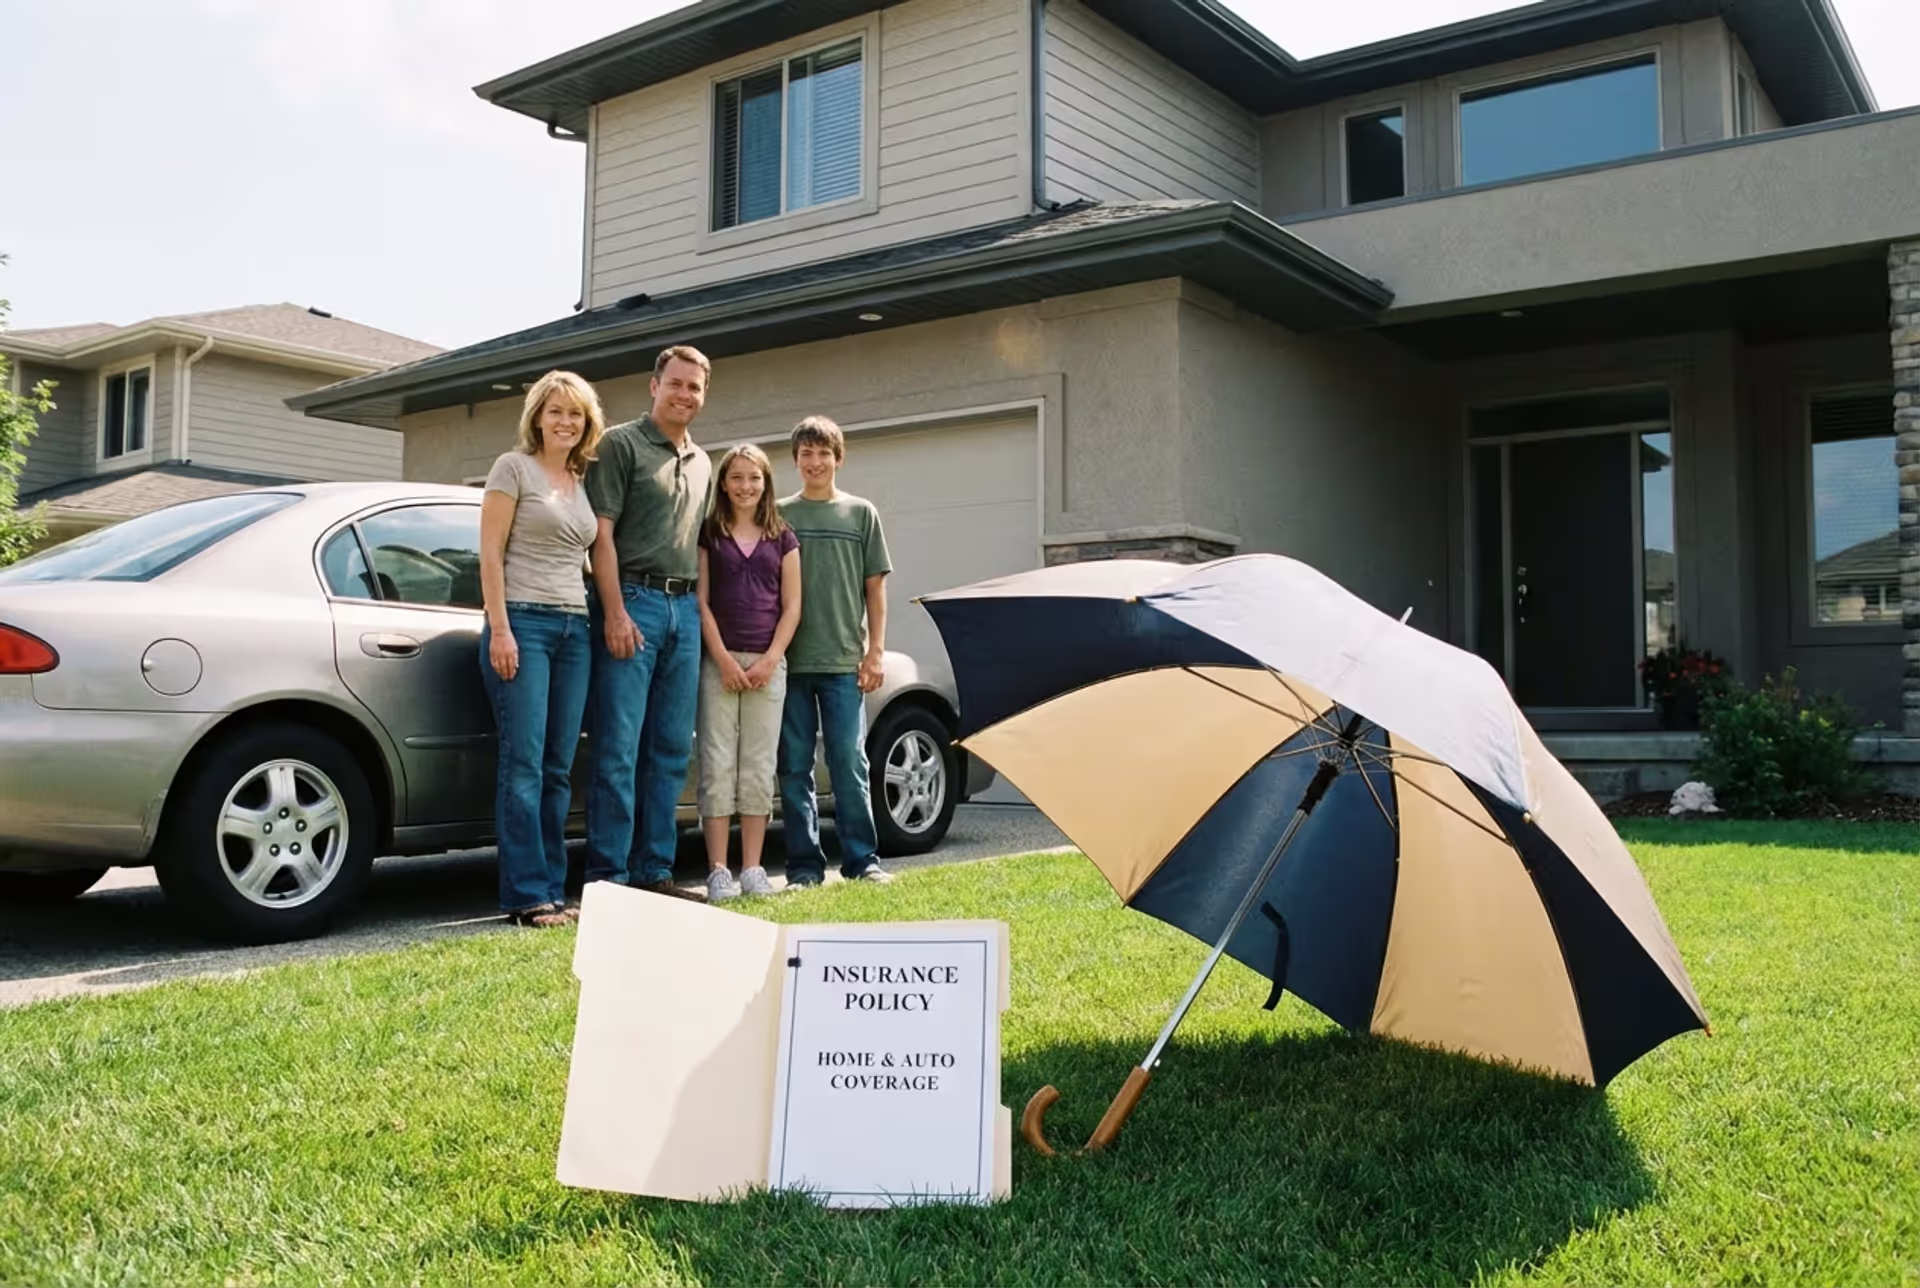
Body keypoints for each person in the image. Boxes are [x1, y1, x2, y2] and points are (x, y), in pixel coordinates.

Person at [582, 345, 715, 900]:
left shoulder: (704, 461)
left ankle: (654, 870)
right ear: (653, 386)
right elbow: (600, 536)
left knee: (670, 748)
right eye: (677, 383)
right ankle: (608, 874)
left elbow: (703, 548)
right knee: (618, 746)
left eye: (695, 387)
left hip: (684, 608)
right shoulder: (620, 445)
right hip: (632, 601)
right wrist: (613, 611)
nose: (685, 395)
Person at [477, 370, 604, 928]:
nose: (566, 422)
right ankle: (527, 895)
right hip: (523, 625)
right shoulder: (513, 468)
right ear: (537, 415)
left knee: (557, 767)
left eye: (575, 414)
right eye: (556, 411)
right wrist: (500, 628)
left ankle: (553, 889)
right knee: (523, 764)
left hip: (575, 630)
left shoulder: (579, 480)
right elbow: (488, 554)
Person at [777, 415, 894, 888]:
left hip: (845, 662)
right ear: (795, 460)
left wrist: (876, 651)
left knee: (849, 760)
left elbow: (875, 589)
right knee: (793, 765)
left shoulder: (861, 513)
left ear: (838, 458)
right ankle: (804, 868)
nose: (815, 461)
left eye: (824, 452)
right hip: (792, 663)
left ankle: (862, 859)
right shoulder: (780, 513)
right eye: (806, 453)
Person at [695, 443, 802, 901]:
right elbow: (700, 599)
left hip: (766, 665)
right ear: (724, 483)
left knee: (758, 766)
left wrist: (771, 658)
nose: (745, 486)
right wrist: (720, 655)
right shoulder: (710, 534)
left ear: (766, 482)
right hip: (719, 661)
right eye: (737, 477)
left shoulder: (783, 536)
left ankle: (753, 869)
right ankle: (718, 870)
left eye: (754, 478)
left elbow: (793, 605)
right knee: (718, 764)